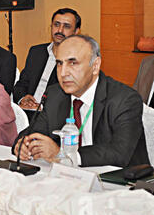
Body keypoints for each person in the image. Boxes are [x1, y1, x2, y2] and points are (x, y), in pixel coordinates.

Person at [13, 34, 150, 168]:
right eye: (60, 63)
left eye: (73, 63)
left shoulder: (124, 99)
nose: (63, 73)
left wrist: (63, 155)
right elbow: (34, 131)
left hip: (121, 182)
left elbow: (119, 153)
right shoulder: (55, 94)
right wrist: (23, 144)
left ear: (95, 66)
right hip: (69, 178)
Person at [13, 8, 81, 114]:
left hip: (54, 116)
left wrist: (42, 107)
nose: (60, 30)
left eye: (66, 26)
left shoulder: (77, 61)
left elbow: (70, 98)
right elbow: (21, 85)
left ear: (76, 31)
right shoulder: (36, 52)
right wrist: (23, 98)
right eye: (56, 24)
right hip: (27, 113)